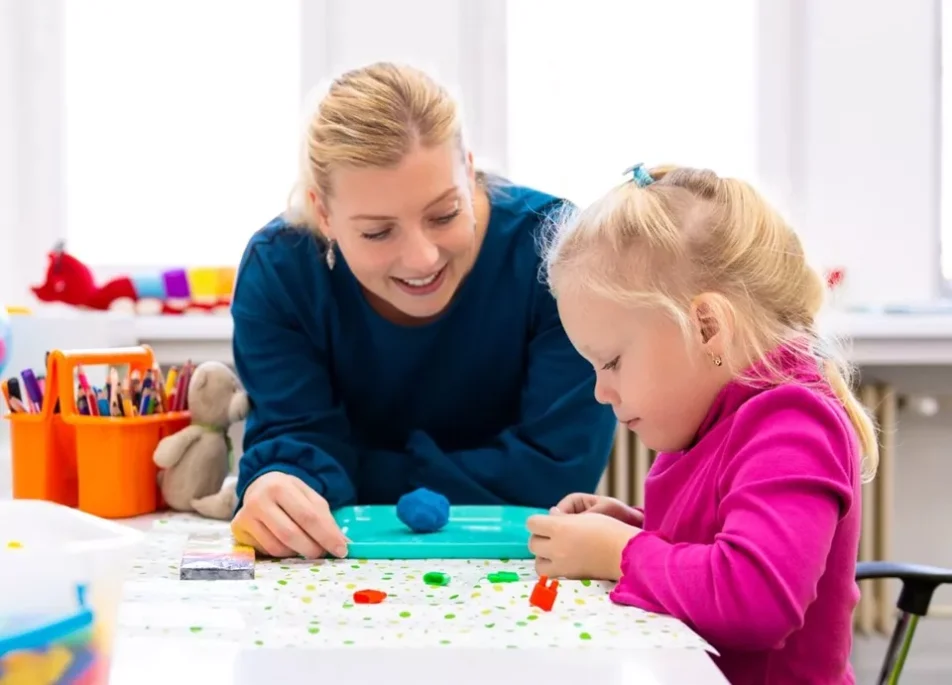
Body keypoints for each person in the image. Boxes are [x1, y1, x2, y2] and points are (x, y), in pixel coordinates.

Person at [228, 61, 617, 561]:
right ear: (323, 213)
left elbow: (557, 472)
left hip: (524, 563)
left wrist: (351, 473)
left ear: (469, 170)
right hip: (342, 569)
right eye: (377, 232)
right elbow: (294, 444)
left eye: (445, 214)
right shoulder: (280, 272)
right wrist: (279, 486)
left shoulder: (559, 252)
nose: (423, 259)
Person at [526, 163, 877, 684]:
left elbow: (755, 598)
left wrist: (620, 553)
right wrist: (638, 527)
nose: (601, 392)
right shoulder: (717, 416)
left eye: (613, 362)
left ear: (706, 326)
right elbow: (725, 542)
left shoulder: (792, 421)